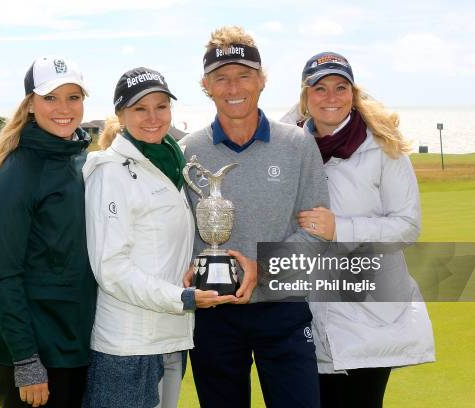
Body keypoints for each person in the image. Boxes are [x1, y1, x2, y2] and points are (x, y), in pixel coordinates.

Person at [179, 26, 329, 408]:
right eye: (222, 78)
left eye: (244, 76)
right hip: (213, 314)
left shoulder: (297, 144)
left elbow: (316, 233)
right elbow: (174, 232)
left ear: (261, 80)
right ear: (206, 85)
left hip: (284, 306)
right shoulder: (186, 151)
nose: (234, 88)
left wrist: (260, 268)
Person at [281, 51, 436, 408]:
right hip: (309, 311)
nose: (331, 97)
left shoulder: (383, 146)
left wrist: (341, 228)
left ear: (353, 93)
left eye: (340, 87)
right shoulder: (290, 148)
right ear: (305, 97)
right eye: (319, 89)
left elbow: (407, 226)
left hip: (370, 311)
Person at [82, 67, 234, 408]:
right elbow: (112, 269)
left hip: (170, 338)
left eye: (161, 106)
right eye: (139, 108)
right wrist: (183, 297)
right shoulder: (110, 171)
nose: (152, 117)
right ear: (121, 115)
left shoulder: (170, 164)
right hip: (127, 346)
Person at [0, 56, 97, 408]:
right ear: (30, 104)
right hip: (34, 347)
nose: (63, 108)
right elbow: (3, 276)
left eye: (73, 97)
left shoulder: (78, 157)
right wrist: (26, 361)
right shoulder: (17, 173)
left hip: (73, 338)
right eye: (50, 98)